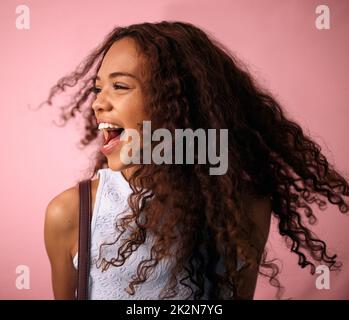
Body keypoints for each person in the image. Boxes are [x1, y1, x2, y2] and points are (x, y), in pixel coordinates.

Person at [43, 21, 348, 300]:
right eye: (98, 88)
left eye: (120, 86)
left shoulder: (246, 207)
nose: (98, 102)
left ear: (177, 103)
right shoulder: (71, 213)